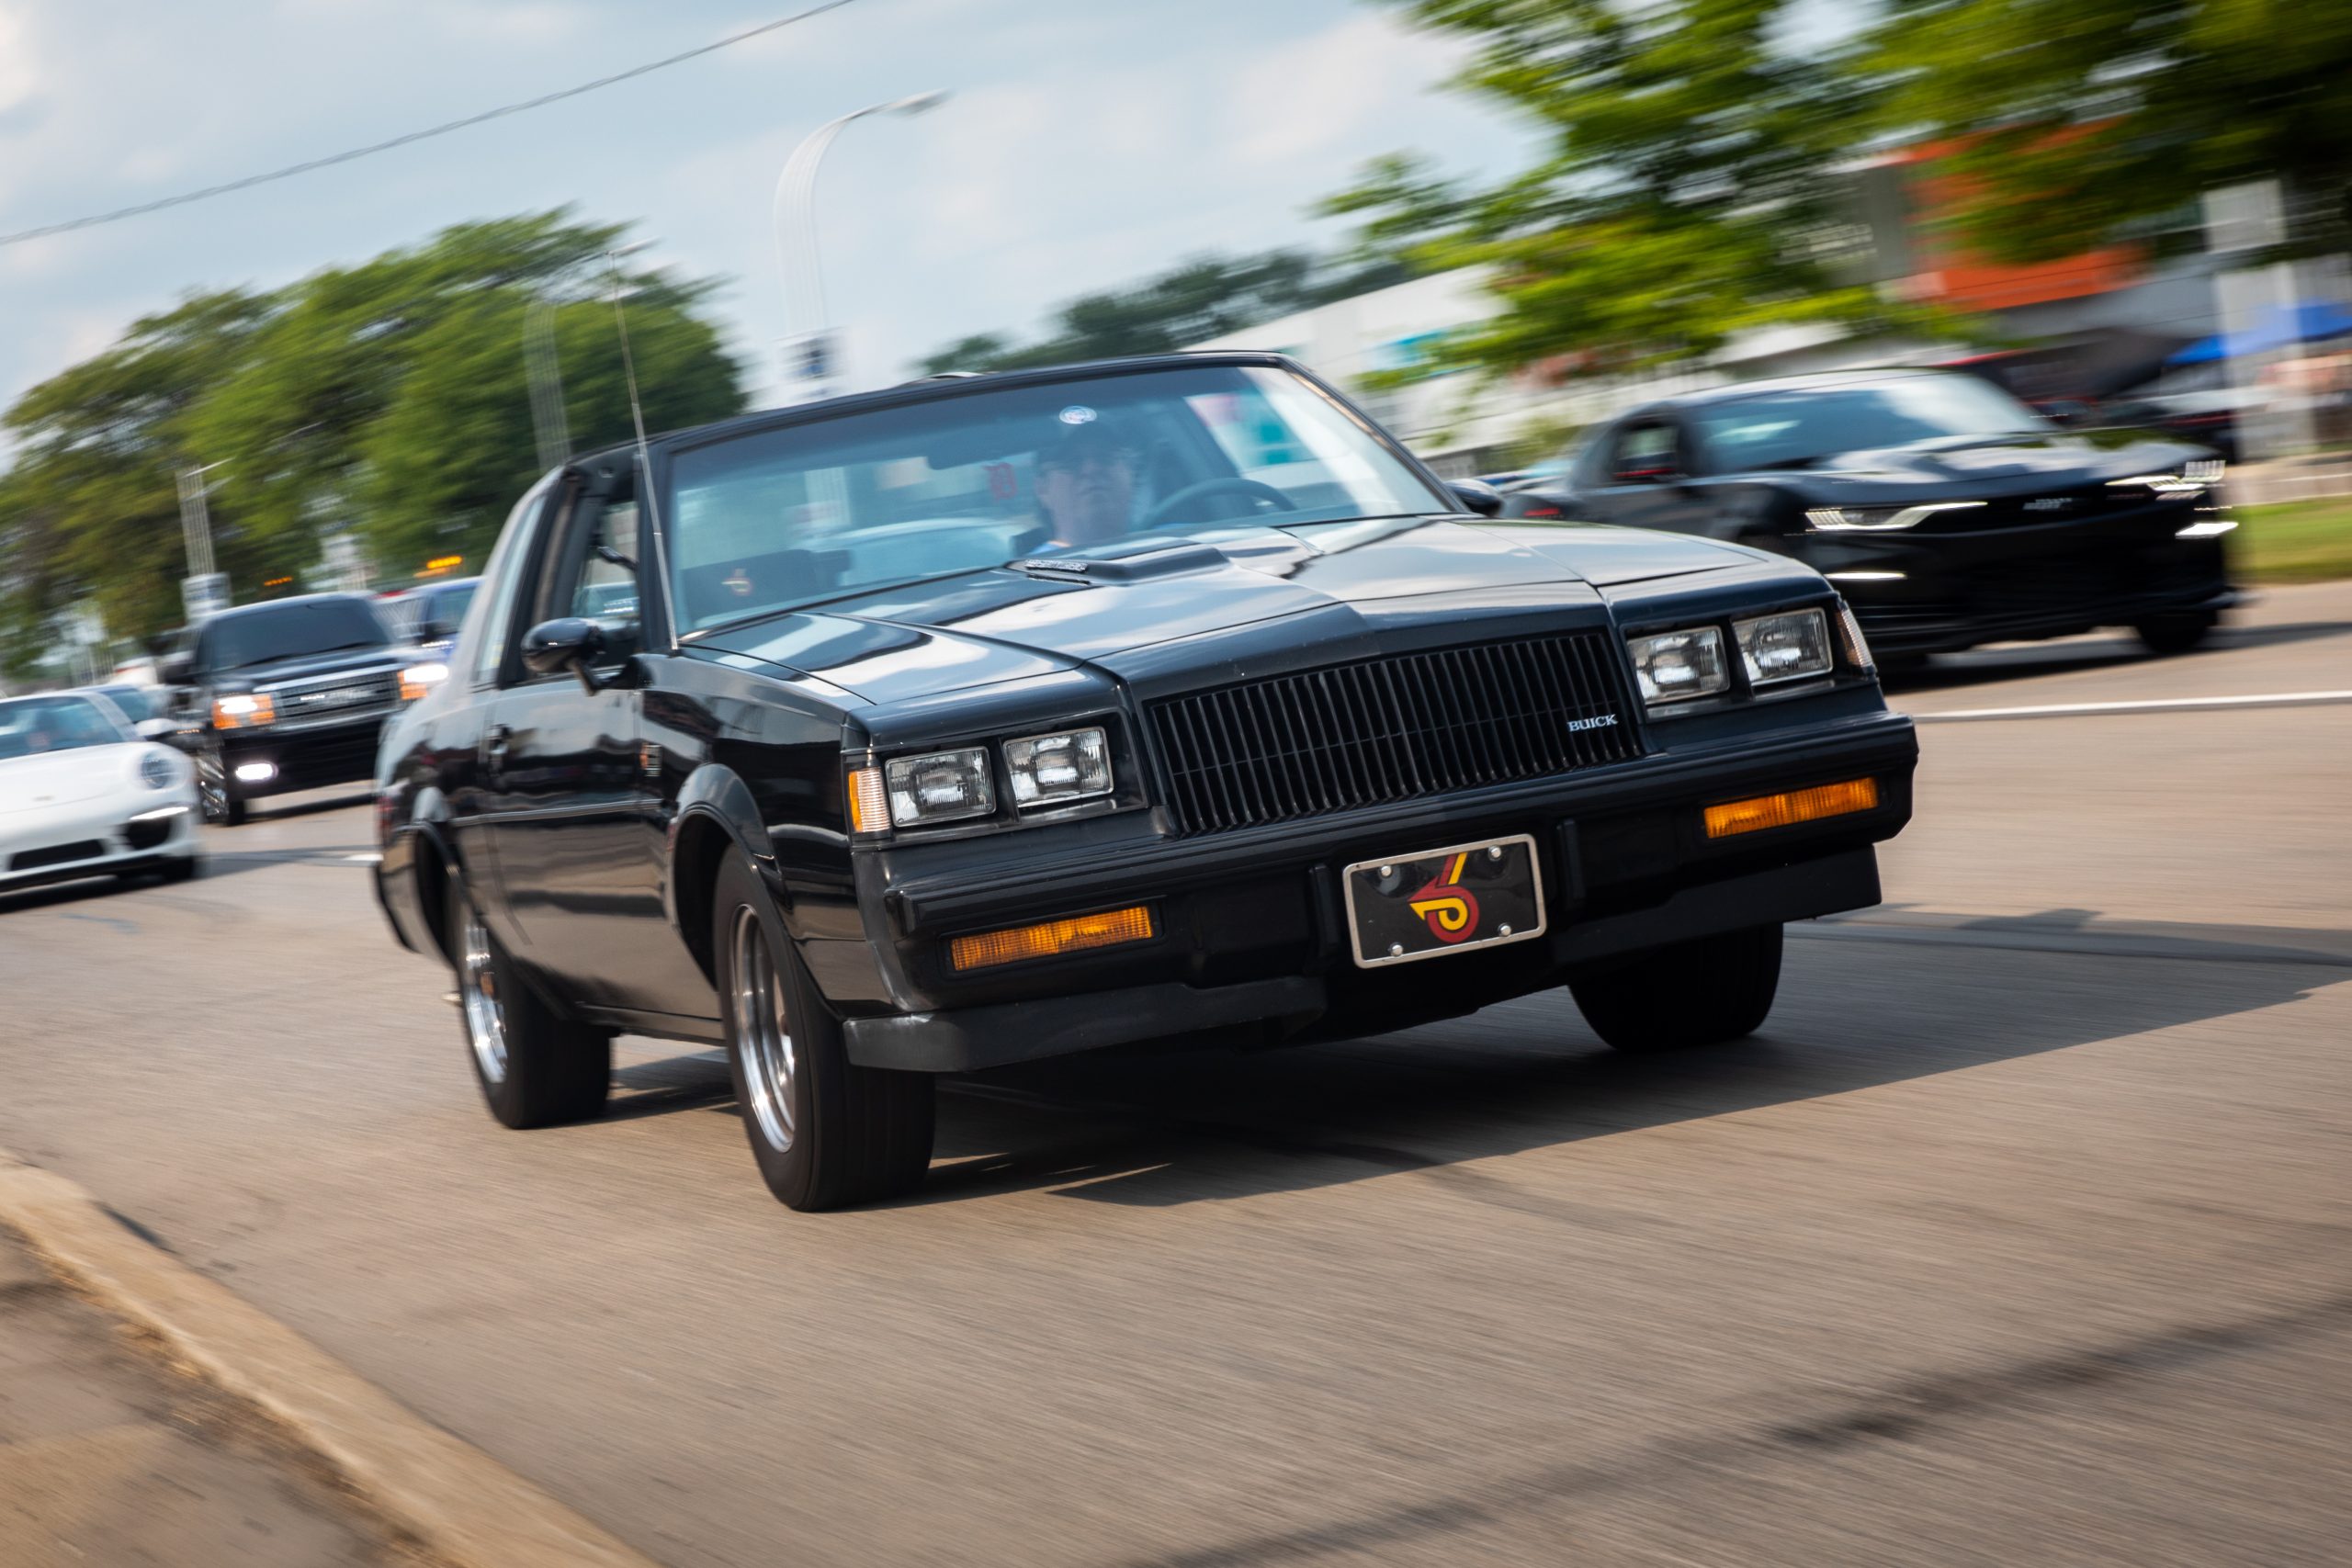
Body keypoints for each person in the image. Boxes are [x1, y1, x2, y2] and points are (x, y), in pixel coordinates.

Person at [1033, 416, 1141, 547]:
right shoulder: (1031, 568)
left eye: (1105, 456)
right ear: (1042, 490)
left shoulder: (1170, 543)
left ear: (1131, 472)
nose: (1091, 469)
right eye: (1071, 461)